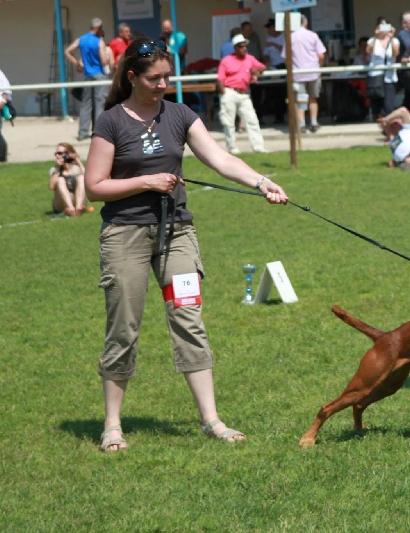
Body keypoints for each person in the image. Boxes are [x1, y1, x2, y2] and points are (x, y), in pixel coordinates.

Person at [84, 37, 288, 452]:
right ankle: (112, 425)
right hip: (126, 235)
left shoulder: (180, 114)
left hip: (177, 233)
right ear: (132, 78)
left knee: (188, 318)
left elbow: (221, 159)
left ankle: (211, 420)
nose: (163, 85)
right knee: (124, 326)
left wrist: (262, 182)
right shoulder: (111, 122)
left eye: (166, 77)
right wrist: (146, 181)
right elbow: (94, 187)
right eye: (154, 79)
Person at [217, 34, 269, 154]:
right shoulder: (226, 60)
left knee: (252, 120)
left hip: (244, 93)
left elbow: (263, 67)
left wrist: (256, 72)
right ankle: (232, 147)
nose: (244, 48)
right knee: (228, 122)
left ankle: (258, 146)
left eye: (245, 46)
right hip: (229, 91)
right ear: (235, 47)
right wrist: (224, 93)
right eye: (241, 46)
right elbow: (220, 78)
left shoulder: (249, 58)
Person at [65, 17, 110, 141]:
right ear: (100, 28)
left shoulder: (82, 39)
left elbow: (67, 51)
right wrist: (108, 61)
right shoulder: (99, 41)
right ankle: (98, 132)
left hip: (88, 75)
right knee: (99, 104)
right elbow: (104, 61)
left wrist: (78, 64)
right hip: (99, 75)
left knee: (86, 104)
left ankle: (82, 132)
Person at [282, 14, 326, 133]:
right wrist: (320, 66)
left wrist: (290, 68)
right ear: (305, 23)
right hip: (313, 72)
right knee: (313, 98)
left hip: (297, 73)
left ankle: (301, 125)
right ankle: (313, 122)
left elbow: (286, 58)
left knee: (301, 99)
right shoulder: (313, 35)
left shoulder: (290, 37)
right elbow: (321, 55)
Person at [366, 17, 400, 118]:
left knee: (388, 105)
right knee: (376, 103)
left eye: (386, 26)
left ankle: (387, 124)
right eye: (382, 26)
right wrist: (376, 36)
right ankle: (378, 121)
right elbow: (368, 51)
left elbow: (395, 53)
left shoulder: (395, 40)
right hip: (376, 76)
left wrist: (392, 37)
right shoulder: (372, 40)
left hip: (389, 76)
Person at [49, 142, 94, 216]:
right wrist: (58, 168)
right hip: (61, 203)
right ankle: (71, 209)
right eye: (56, 153)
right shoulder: (54, 170)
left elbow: (89, 181)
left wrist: (78, 162)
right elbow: (51, 187)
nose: (57, 156)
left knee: (81, 177)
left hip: (77, 200)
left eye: (60, 153)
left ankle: (78, 208)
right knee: (60, 180)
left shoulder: (76, 169)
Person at [262, 19, 287, 125]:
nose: (268, 30)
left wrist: (274, 44)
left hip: (282, 66)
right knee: (273, 93)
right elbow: (266, 53)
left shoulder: (284, 38)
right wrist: (266, 60)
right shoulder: (269, 39)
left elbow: (286, 50)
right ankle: (276, 116)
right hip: (272, 68)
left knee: (282, 94)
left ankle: (281, 116)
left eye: (270, 28)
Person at [396, 11, 410, 114]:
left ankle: (401, 119)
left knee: (409, 100)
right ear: (404, 24)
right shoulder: (403, 34)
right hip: (407, 73)